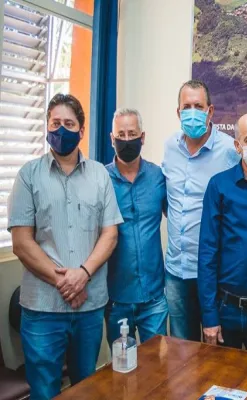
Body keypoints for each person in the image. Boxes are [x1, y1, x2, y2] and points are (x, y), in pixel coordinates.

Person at [8, 94, 123, 399]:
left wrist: (82, 274)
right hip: (43, 309)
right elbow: (21, 243)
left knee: (86, 388)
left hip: (89, 307)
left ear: (81, 130)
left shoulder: (99, 175)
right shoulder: (28, 175)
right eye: (55, 123)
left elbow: (110, 234)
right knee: (44, 392)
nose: (61, 129)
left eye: (69, 124)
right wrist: (65, 282)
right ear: (47, 127)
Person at [162, 79, 240, 340]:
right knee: (182, 350)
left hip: (215, 273)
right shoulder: (170, 147)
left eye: (199, 106)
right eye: (187, 107)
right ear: (178, 112)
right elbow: (169, 200)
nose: (192, 112)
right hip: (177, 271)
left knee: (216, 349)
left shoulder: (229, 151)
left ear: (210, 111)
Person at [198, 112, 247, 353]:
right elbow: (207, 252)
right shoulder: (219, 185)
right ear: (237, 146)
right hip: (226, 308)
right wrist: (209, 316)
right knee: (222, 375)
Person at [105, 108, 168, 345]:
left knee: (157, 363)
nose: (126, 139)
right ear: (112, 139)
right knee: (121, 365)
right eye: (121, 134)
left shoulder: (158, 176)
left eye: (132, 133)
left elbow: (178, 218)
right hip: (116, 297)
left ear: (142, 137)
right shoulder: (101, 179)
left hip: (154, 297)